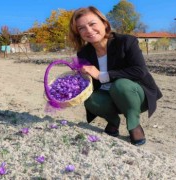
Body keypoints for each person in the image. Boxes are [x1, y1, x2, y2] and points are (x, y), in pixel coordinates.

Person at [68, 6, 163, 146]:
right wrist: (71, 88)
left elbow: (139, 71)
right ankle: (113, 121)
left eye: (92, 24)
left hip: (135, 95)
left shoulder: (126, 41)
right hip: (109, 98)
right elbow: (87, 83)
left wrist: (102, 75)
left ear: (104, 23)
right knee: (90, 99)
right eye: (81, 28)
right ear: (78, 33)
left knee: (120, 85)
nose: (88, 30)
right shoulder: (83, 53)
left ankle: (134, 124)